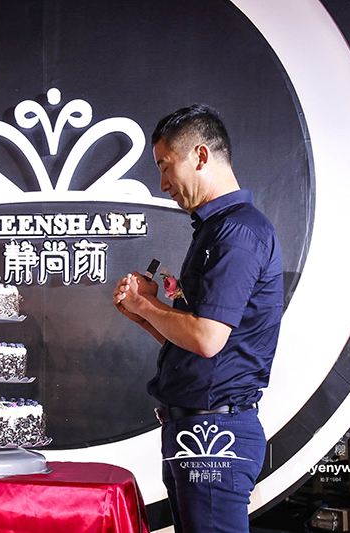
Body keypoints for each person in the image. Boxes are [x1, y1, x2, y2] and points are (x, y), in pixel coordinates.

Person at [112, 104, 283, 532]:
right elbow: (199, 347)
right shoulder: (216, 229)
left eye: (165, 166)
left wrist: (146, 306)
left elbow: (207, 339)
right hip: (197, 431)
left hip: (213, 436)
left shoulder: (237, 233)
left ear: (201, 156)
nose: (162, 183)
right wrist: (145, 316)